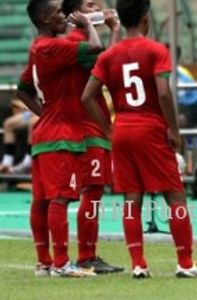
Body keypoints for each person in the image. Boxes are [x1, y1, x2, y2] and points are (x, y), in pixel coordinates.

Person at [81, 0, 197, 279]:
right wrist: (174, 130)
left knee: (132, 199)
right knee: (175, 196)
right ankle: (186, 262)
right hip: (150, 129)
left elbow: (86, 97)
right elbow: (164, 93)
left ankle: (139, 264)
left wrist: (108, 129)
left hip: (122, 130)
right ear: (146, 19)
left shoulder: (109, 55)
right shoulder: (156, 50)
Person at [17, 0, 102, 277]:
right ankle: (63, 262)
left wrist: (46, 114)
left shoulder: (36, 49)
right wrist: (89, 24)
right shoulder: (51, 46)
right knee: (61, 198)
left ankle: (44, 261)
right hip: (62, 135)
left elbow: (23, 88)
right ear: (43, 19)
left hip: (45, 132)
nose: (62, 16)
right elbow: (96, 49)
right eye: (56, 12)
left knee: (41, 199)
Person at [61, 0, 123, 274]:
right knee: (92, 191)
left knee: (89, 192)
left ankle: (70, 256)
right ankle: (85, 255)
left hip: (86, 124)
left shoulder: (78, 40)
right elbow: (108, 67)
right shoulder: (78, 42)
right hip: (87, 127)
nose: (98, 6)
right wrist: (113, 31)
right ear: (75, 13)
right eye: (90, 4)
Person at [166, 45, 197, 128]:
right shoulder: (171, 71)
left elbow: (179, 96)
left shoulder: (176, 73)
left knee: (176, 121)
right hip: (189, 103)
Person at [0, 99, 38, 174]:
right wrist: (24, 106)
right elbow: (17, 100)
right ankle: (7, 162)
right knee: (8, 124)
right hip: (32, 112)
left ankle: (28, 161)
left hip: (45, 113)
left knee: (33, 122)